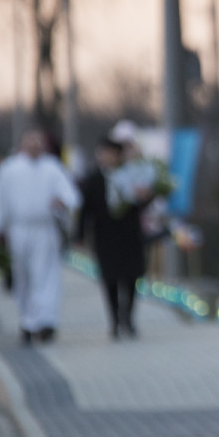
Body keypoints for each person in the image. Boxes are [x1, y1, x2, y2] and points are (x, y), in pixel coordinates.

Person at [0, 128, 81, 345]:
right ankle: (28, 321)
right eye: (30, 141)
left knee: (46, 274)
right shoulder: (10, 169)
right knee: (23, 276)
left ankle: (46, 321)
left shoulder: (52, 167)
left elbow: (71, 195)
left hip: (44, 229)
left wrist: (62, 203)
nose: (34, 146)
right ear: (22, 144)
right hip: (19, 229)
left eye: (37, 142)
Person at [75, 134, 150, 339]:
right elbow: (85, 209)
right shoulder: (93, 178)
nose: (105, 157)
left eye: (109, 153)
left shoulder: (132, 174)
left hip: (129, 234)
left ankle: (129, 317)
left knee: (132, 276)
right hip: (104, 235)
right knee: (110, 278)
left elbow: (142, 203)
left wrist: (145, 196)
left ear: (118, 155)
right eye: (102, 153)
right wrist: (79, 235)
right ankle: (115, 320)